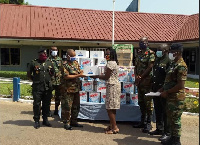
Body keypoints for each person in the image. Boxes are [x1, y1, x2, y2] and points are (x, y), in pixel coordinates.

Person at [160, 43, 187, 145]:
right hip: (170, 97)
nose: (170, 54)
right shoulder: (173, 64)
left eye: (172, 52)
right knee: (170, 118)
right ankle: (172, 138)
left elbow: (180, 85)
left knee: (175, 120)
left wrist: (167, 92)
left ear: (178, 52)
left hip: (176, 98)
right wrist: (162, 89)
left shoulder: (181, 66)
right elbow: (169, 81)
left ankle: (176, 141)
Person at [91, 48, 121, 134]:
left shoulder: (111, 63)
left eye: (108, 54)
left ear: (112, 55)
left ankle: (115, 128)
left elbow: (106, 77)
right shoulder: (113, 62)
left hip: (112, 86)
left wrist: (95, 76)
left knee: (109, 108)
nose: (106, 56)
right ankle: (112, 125)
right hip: (113, 85)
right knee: (112, 107)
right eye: (105, 54)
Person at [27, 48, 55, 129]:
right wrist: (35, 80)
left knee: (46, 104)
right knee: (37, 104)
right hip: (37, 87)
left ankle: (45, 119)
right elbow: (29, 74)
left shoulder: (50, 63)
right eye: (43, 54)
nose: (44, 55)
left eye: (45, 54)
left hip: (47, 88)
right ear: (39, 54)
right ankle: (36, 120)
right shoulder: (34, 63)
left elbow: (53, 73)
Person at [149, 44, 171, 140]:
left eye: (160, 50)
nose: (157, 51)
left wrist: (163, 89)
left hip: (163, 90)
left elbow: (168, 77)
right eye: (157, 49)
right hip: (155, 89)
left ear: (165, 51)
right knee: (157, 110)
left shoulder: (168, 61)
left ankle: (167, 132)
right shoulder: (158, 60)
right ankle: (159, 128)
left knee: (165, 112)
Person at [133, 36, 155, 133]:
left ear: (147, 43)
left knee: (148, 103)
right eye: (140, 42)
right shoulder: (138, 54)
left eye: (143, 42)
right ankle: (142, 121)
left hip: (147, 82)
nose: (141, 44)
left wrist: (141, 76)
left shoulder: (151, 54)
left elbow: (150, 67)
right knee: (141, 102)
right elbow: (136, 66)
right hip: (140, 82)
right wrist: (136, 76)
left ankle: (149, 123)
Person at [60, 49, 86, 130]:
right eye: (72, 56)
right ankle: (66, 123)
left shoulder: (76, 63)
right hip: (67, 89)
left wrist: (83, 73)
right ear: (68, 56)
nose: (74, 57)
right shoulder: (64, 65)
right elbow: (66, 76)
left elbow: (80, 71)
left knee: (76, 106)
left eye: (75, 56)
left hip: (76, 88)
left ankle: (74, 121)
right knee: (67, 107)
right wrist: (78, 76)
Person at [48, 46, 62, 116]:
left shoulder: (60, 59)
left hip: (58, 81)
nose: (55, 51)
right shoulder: (48, 60)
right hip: (51, 81)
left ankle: (56, 109)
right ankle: (48, 110)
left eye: (56, 50)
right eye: (53, 50)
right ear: (50, 51)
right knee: (48, 96)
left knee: (58, 96)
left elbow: (62, 69)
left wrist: (59, 73)